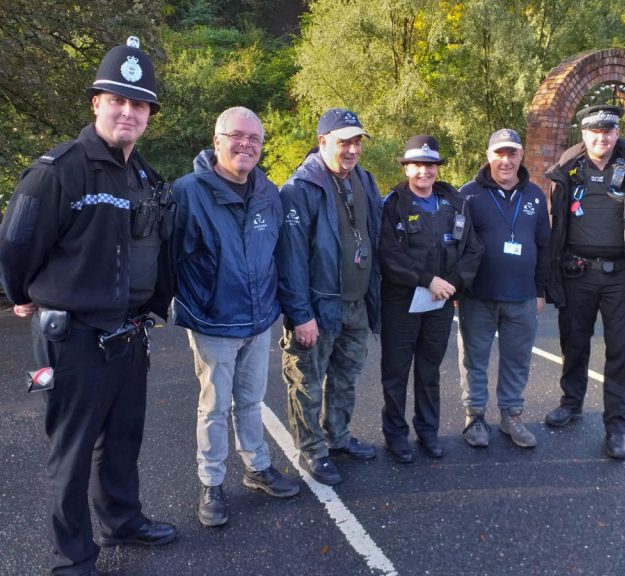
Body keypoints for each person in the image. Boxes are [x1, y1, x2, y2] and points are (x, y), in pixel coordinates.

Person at [0, 37, 176, 576]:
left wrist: (156, 305)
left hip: (127, 335)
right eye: (117, 99)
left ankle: (122, 521)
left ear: (148, 115)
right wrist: (23, 294)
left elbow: (159, 244)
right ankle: (71, 556)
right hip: (73, 338)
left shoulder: (143, 175)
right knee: (72, 452)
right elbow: (14, 245)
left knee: (122, 440)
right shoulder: (57, 171)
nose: (128, 111)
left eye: (139, 103)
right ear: (95, 102)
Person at [172, 107, 300, 528]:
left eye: (254, 139)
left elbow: (280, 256)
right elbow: (169, 261)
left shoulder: (268, 193)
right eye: (237, 136)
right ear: (216, 140)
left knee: (251, 401)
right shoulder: (187, 193)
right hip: (214, 323)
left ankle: (257, 468)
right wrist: (195, 306)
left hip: (259, 319)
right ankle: (211, 483)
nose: (245, 144)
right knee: (212, 406)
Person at [544, 105, 625, 459]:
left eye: (608, 132)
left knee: (623, 351)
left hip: (622, 276)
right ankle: (571, 402)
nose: (602, 138)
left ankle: (617, 426)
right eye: (595, 131)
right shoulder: (569, 169)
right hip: (577, 272)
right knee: (574, 343)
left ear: (617, 134)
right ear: (584, 134)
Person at [276, 108, 381, 485]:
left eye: (356, 141)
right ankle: (312, 451)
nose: (352, 149)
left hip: (356, 303)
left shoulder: (363, 180)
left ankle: (337, 437)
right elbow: (290, 260)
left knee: (345, 377)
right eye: (344, 142)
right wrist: (301, 314)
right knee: (306, 380)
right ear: (323, 142)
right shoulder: (300, 188)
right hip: (318, 308)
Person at [379, 135, 483, 464]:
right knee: (396, 372)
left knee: (429, 371)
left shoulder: (455, 202)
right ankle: (396, 435)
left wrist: (451, 284)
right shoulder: (392, 204)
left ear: (437, 168)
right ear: (407, 167)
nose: (424, 171)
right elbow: (388, 254)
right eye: (417, 165)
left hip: (439, 303)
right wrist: (426, 280)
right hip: (402, 302)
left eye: (430, 165)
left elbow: (472, 249)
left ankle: (427, 432)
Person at [457, 129, 550, 449]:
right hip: (477, 296)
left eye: (512, 153)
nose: (506, 160)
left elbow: (544, 244)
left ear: (521, 156)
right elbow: (455, 246)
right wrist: (458, 289)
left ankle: (511, 416)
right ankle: (475, 417)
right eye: (499, 153)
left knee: (517, 359)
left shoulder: (536, 196)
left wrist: (540, 290)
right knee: (473, 359)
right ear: (488, 156)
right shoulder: (467, 195)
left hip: (522, 296)